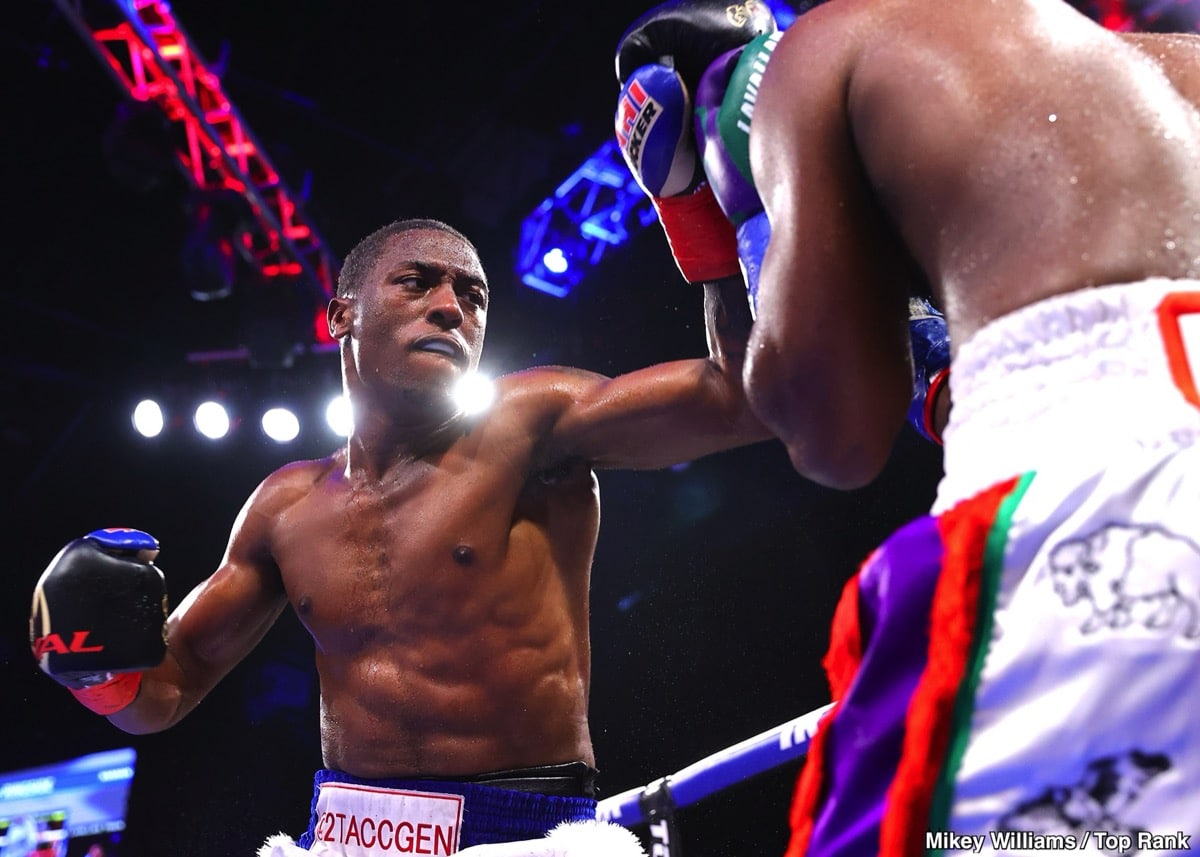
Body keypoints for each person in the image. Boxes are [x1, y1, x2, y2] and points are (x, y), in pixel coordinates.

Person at [614, 0, 1200, 853]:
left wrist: (722, 217)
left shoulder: (817, 52)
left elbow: (831, 431)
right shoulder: (1162, 66)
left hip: (1092, 509)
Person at [29, 216, 777, 856]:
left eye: (474, 295)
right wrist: (96, 670)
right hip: (348, 832)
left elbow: (744, 395)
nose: (452, 308)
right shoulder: (285, 505)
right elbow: (172, 680)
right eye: (417, 283)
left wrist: (696, 212)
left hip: (518, 826)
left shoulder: (535, 424)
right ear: (340, 316)